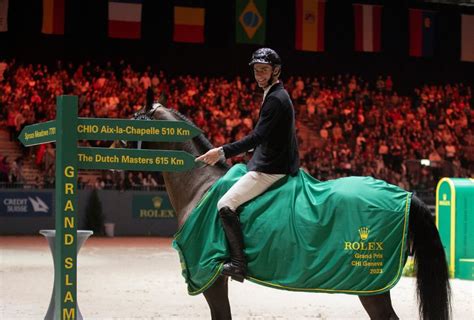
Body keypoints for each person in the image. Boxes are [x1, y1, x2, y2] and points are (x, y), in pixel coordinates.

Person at [195, 48, 300, 282]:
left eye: (264, 70)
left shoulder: (275, 99)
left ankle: (238, 264)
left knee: (225, 204)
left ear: (276, 71)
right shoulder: (274, 93)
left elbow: (257, 137)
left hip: (272, 168)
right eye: (256, 70)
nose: (259, 74)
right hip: (271, 157)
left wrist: (221, 152)